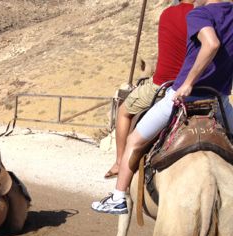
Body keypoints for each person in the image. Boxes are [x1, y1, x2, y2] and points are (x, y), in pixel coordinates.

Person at [93, 0, 233, 215]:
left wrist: (188, 83)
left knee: (134, 141)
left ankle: (118, 197)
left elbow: (211, 44)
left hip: (181, 97)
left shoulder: (198, 14)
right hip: (218, 100)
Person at [104, 0, 194, 179]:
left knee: (123, 111)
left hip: (164, 85)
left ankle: (119, 162)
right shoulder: (207, 16)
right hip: (197, 87)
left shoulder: (167, 14)